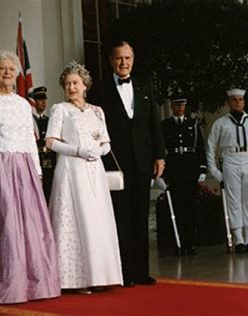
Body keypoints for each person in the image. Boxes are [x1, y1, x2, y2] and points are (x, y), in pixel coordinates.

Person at [0, 50, 60, 304]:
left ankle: (32, 284)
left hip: (24, 169)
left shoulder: (22, 104)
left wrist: (37, 172)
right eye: (1, 68)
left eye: (10, 68)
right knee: (2, 227)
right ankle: (2, 283)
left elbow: (30, 139)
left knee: (29, 226)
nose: (7, 72)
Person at [88, 40, 165, 287]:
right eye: (119, 58)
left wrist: (159, 155)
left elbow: (154, 122)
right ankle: (123, 273)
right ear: (111, 61)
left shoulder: (145, 86)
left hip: (143, 161)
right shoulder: (100, 91)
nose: (123, 63)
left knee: (140, 216)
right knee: (121, 217)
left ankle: (141, 271)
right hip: (116, 163)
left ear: (133, 60)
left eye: (128, 58)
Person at [46, 61, 123, 293]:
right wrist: (77, 151)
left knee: (97, 219)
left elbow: (106, 142)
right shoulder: (60, 109)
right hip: (71, 170)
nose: (72, 87)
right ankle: (75, 280)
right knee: (74, 220)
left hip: (95, 171)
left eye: (76, 83)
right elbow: (50, 142)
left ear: (84, 85)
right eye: (68, 83)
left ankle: (101, 275)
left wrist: (99, 151)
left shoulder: (97, 111)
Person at [206, 88, 248, 254]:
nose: (238, 102)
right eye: (234, 100)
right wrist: (214, 170)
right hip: (230, 159)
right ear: (228, 103)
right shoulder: (221, 123)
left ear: (244, 102)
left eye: (240, 99)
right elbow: (210, 147)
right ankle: (238, 239)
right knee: (234, 200)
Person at [160, 95, 207, 255]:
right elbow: (161, 149)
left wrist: (202, 169)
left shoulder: (192, 124)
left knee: (191, 206)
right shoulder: (165, 125)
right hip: (174, 168)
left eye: (183, 105)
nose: (180, 108)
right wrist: (161, 174)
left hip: (190, 167)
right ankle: (178, 242)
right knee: (177, 206)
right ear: (172, 106)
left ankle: (190, 242)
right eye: (177, 105)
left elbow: (200, 147)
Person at [32, 86, 56, 201]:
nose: (43, 102)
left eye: (44, 100)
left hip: (49, 159)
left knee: (49, 189)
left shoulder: (48, 120)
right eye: (40, 99)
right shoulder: (30, 120)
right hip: (37, 158)